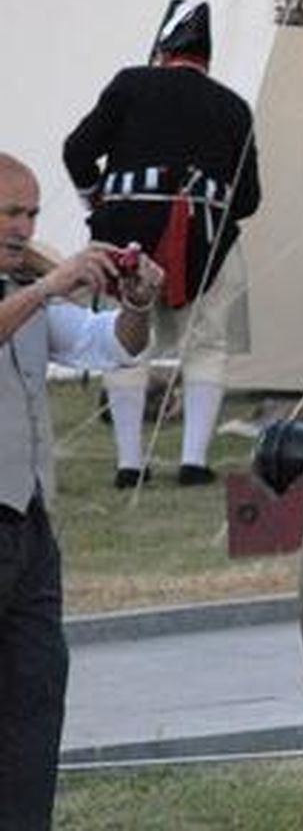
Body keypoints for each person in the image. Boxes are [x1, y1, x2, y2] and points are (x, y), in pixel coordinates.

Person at [0, 152, 162, 828]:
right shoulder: (31, 292)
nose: (24, 226)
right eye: (12, 212)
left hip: (26, 521)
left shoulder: (24, 289)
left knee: (36, 695)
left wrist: (137, 302)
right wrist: (48, 285)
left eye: (32, 213)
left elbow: (109, 346)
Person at [62, 0, 260, 488]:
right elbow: (249, 199)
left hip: (125, 232)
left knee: (123, 340)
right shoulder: (234, 106)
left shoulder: (130, 84)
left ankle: (130, 464)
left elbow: (77, 150)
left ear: (163, 49)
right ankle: (193, 462)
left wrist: (98, 201)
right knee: (207, 345)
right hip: (207, 238)